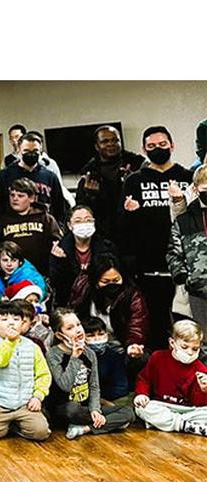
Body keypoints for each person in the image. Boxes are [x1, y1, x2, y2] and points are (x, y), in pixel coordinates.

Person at [117, 126, 194, 349]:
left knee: (187, 327)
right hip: (149, 268)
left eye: (162, 145)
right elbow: (122, 226)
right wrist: (130, 213)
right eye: (151, 146)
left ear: (172, 145)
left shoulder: (186, 177)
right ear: (143, 149)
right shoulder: (133, 181)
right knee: (156, 329)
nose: (157, 149)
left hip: (184, 267)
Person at [46, 308, 134, 439]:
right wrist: (75, 357)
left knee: (128, 413)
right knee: (72, 409)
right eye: (70, 328)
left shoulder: (89, 353)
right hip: (63, 409)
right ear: (59, 335)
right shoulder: (53, 354)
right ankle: (106, 424)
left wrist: (95, 410)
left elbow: (94, 385)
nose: (78, 330)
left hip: (85, 408)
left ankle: (85, 428)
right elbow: (65, 385)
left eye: (78, 324)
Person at [0, 300, 52, 441]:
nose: (11, 323)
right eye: (4, 319)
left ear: (22, 324)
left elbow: (43, 374)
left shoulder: (33, 346)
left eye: (16, 319)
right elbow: (0, 361)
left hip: (25, 403)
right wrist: (10, 341)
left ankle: (17, 426)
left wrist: (37, 396)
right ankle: (10, 424)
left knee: (41, 432)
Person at [68, 253, 148, 364]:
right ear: (95, 281)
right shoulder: (83, 286)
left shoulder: (132, 296)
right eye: (105, 282)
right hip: (86, 345)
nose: (111, 284)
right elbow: (72, 313)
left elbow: (137, 325)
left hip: (120, 348)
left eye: (116, 280)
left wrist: (132, 345)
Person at [134, 320, 207, 436]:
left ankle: (167, 423)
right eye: (184, 347)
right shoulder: (157, 358)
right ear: (172, 343)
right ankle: (185, 426)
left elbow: (198, 404)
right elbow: (144, 379)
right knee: (141, 407)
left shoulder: (201, 369)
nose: (190, 353)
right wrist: (142, 394)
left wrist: (204, 390)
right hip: (161, 405)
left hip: (187, 409)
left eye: (195, 349)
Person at [75, 125, 145, 240]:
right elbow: (80, 211)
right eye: (105, 141)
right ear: (97, 146)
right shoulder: (88, 174)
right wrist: (90, 196)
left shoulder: (137, 165)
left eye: (115, 140)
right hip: (103, 237)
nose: (110, 144)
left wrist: (132, 182)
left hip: (135, 233)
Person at [49, 205, 118, 308]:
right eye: (78, 221)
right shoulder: (59, 249)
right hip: (70, 304)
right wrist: (60, 261)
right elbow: (57, 283)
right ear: (69, 225)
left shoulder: (107, 247)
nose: (84, 224)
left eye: (88, 220)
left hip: (102, 302)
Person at [0, 177, 62, 277]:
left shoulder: (46, 219)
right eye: (12, 195)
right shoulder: (2, 220)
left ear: (32, 198)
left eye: (20, 196)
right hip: (12, 275)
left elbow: (57, 244)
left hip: (42, 274)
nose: (15, 199)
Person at [0, 131, 67, 223]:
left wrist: (59, 228)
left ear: (41, 152)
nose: (31, 154)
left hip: (43, 229)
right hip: (12, 228)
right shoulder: (3, 176)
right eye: (26, 151)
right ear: (18, 150)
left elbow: (59, 207)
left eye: (35, 151)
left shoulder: (50, 177)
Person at [167, 165, 207, 334]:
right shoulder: (183, 220)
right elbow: (173, 252)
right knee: (202, 340)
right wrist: (183, 277)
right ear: (196, 189)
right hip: (197, 291)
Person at [0, 241, 47, 329]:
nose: (9, 264)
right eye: (5, 260)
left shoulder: (29, 276)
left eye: (14, 260)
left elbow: (38, 298)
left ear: (20, 262)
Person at [84, 317, 133, 405]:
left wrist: (101, 398)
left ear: (107, 335)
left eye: (101, 334)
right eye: (91, 336)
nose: (97, 339)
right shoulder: (78, 357)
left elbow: (121, 387)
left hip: (110, 398)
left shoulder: (114, 355)